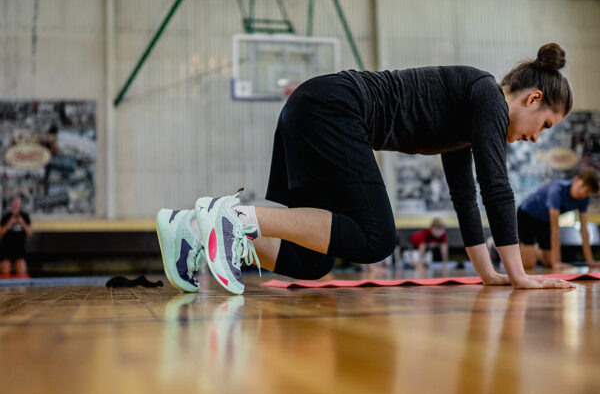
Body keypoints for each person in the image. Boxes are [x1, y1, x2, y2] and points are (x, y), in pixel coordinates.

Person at [156, 43, 576, 294]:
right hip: (332, 108)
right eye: (544, 126)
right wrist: (520, 276)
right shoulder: (486, 95)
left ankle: (191, 226)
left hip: (311, 108)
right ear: (533, 99)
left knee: (311, 262)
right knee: (377, 238)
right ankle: (234, 218)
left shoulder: (470, 118)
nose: (536, 137)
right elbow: (496, 187)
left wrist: (491, 274)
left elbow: (466, 196)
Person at [518, 169, 600, 270]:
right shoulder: (557, 190)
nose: (582, 192)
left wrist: (590, 261)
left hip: (544, 220)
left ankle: (534, 250)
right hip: (527, 215)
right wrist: (557, 262)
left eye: (587, 191)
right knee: (529, 264)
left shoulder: (584, 199)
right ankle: (523, 248)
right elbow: (555, 229)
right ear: (576, 179)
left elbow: (584, 230)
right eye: (582, 186)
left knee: (549, 263)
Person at [0, 195, 33, 276]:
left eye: (18, 202)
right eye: (15, 202)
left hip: (19, 250)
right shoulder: (6, 216)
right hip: (6, 250)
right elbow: (1, 233)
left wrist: (22, 223)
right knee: (5, 274)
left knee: (22, 274)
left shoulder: (25, 216)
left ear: (21, 204)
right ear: (12, 204)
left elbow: (30, 232)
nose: (16, 204)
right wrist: (9, 223)